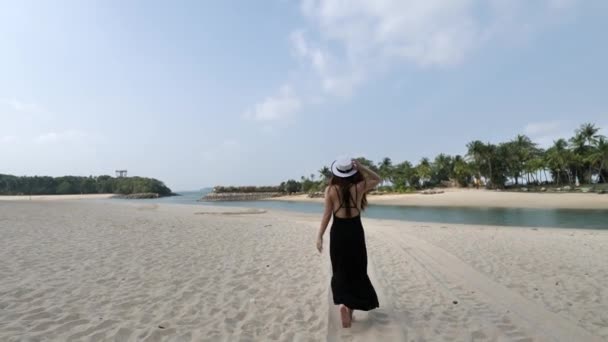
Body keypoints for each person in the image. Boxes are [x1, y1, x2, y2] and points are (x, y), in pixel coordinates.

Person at [316, 158, 381, 328]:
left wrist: (319, 236)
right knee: (357, 269)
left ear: (336, 173)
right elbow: (378, 179)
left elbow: (326, 215)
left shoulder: (330, 190)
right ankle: (350, 308)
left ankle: (345, 304)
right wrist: (362, 167)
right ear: (351, 172)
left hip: (338, 233)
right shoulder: (359, 187)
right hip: (355, 232)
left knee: (340, 269)